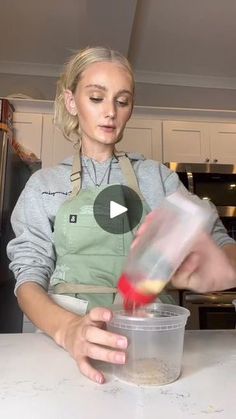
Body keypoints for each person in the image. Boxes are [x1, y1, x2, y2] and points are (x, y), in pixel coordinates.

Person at [7, 46, 236, 384]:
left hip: (150, 345)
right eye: (97, 97)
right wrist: (68, 330)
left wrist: (224, 267)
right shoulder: (44, 184)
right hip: (63, 348)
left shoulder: (158, 178)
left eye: (122, 101)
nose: (110, 112)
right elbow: (28, 278)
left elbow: (222, 244)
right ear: (72, 102)